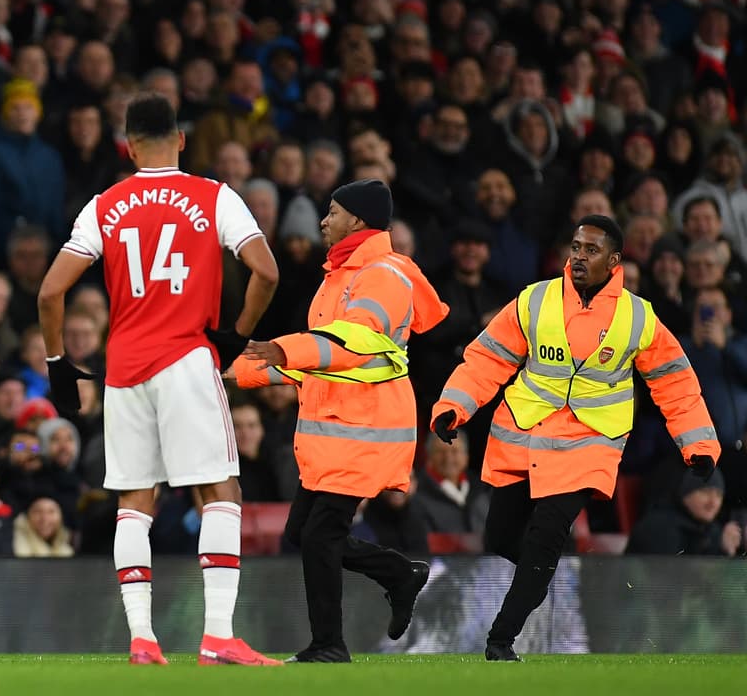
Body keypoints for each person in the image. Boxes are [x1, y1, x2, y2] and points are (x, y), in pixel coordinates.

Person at [37, 94, 281, 666]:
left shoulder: (104, 205)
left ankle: (142, 638)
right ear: (182, 140)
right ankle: (217, 636)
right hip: (186, 360)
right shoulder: (214, 196)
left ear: (128, 147)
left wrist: (56, 362)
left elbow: (50, 291)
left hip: (123, 369)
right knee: (220, 492)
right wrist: (236, 333)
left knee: (134, 501)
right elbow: (266, 272)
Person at [430, 215, 720, 661]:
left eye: (591, 250)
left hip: (590, 444)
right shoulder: (535, 299)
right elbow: (487, 358)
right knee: (500, 538)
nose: (580, 256)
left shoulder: (638, 317)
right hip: (523, 434)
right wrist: (454, 405)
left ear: (614, 261)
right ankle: (539, 574)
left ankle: (501, 639)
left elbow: (675, 381)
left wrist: (697, 443)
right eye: (576, 247)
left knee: (546, 536)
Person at [227, 179, 448, 663]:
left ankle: (330, 645)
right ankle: (399, 575)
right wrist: (236, 370)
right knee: (301, 535)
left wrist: (283, 349)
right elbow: (320, 358)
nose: (323, 221)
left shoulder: (382, 275)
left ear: (359, 220)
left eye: (332, 211)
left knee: (320, 536)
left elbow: (353, 343)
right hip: (338, 430)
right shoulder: (343, 275)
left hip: (364, 430)